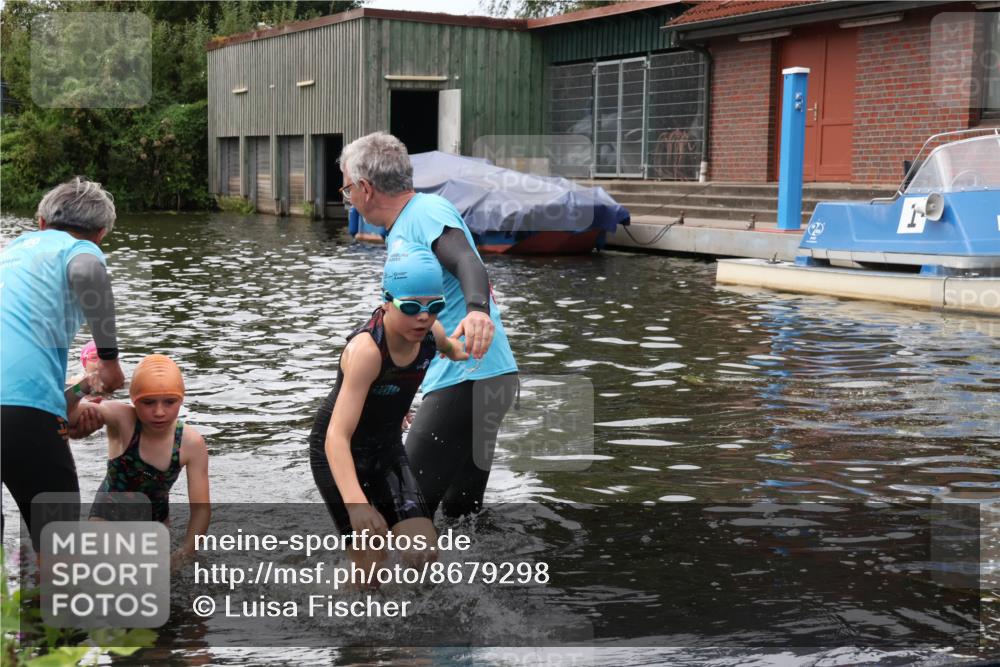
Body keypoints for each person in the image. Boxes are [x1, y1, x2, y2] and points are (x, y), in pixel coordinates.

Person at [338, 132, 519, 518]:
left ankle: (380, 581)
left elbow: (468, 261)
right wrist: (399, 386)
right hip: (486, 376)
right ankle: (484, 577)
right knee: (462, 515)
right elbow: (407, 322)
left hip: (468, 378)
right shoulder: (406, 224)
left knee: (400, 512)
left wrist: (477, 310)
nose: (347, 197)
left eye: (346, 188)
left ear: (365, 188)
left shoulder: (424, 213)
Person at [309, 243, 468, 576]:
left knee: (423, 553)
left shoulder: (430, 334)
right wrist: (356, 505)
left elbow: (451, 348)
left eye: (434, 306)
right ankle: (346, 618)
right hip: (339, 451)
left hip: (386, 448)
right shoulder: (367, 351)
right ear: (386, 301)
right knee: (371, 563)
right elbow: (336, 437)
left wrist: (465, 348)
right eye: (410, 306)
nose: (423, 316)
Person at [1, 177, 125, 550]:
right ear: (100, 234)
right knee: (61, 544)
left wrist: (72, 401)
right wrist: (109, 361)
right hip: (20, 408)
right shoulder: (78, 250)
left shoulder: (12, 252)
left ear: (40, 222)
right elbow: (87, 272)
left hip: (20, 405)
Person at [68, 353, 210, 568]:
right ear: (134, 400)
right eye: (148, 402)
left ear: (181, 400)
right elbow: (65, 414)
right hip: (107, 520)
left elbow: (201, 509)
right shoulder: (121, 418)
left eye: (170, 402)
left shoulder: (191, 443)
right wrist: (83, 387)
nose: (159, 412)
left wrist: (186, 552)